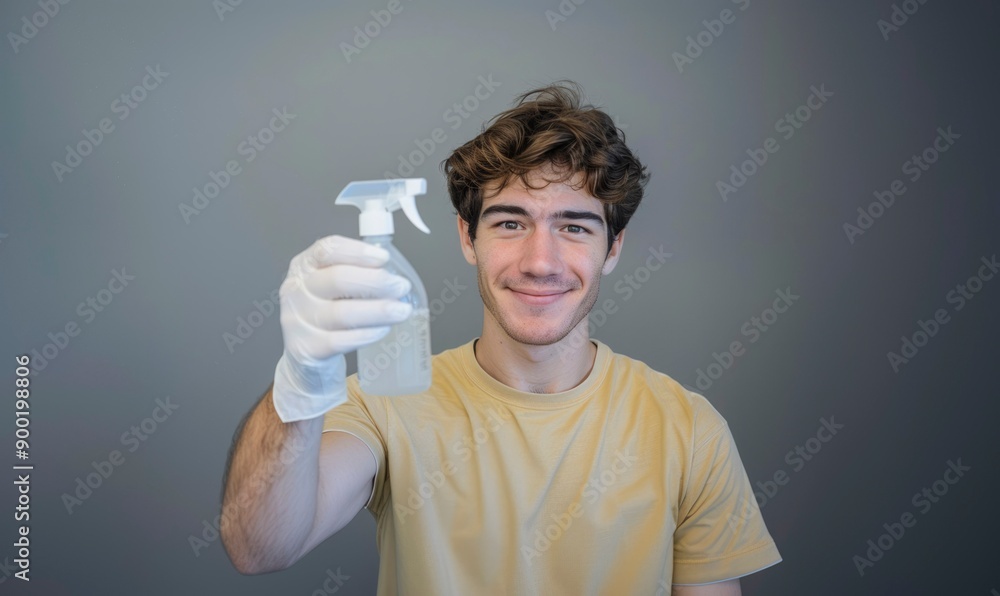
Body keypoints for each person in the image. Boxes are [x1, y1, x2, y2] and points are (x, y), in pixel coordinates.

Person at [220, 80, 782, 595]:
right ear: (468, 237)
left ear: (613, 248)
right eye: (510, 223)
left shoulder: (688, 429)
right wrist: (301, 381)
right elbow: (257, 548)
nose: (541, 262)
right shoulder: (384, 402)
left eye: (574, 226)